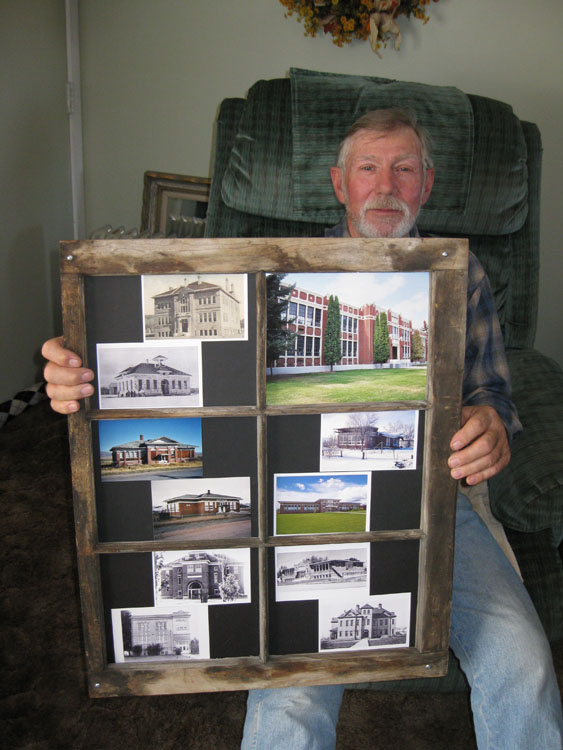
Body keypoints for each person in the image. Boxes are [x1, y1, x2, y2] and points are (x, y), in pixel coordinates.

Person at [41, 109, 562, 749]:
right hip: (289, 506)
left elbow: (493, 393)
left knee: (524, 663)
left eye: (403, 168)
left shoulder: (461, 274)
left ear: (427, 184)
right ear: (339, 184)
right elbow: (167, 353)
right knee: (291, 699)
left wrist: (492, 421)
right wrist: (85, 373)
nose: (385, 185)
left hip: (430, 499)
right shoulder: (261, 272)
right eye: (367, 168)